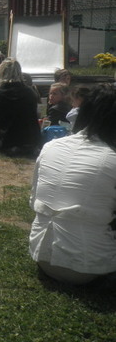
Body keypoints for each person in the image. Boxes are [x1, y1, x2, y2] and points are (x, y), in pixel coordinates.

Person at [29, 84, 116, 285]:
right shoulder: (111, 157)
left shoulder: (51, 146)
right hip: (88, 265)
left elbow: (34, 199)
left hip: (42, 255)